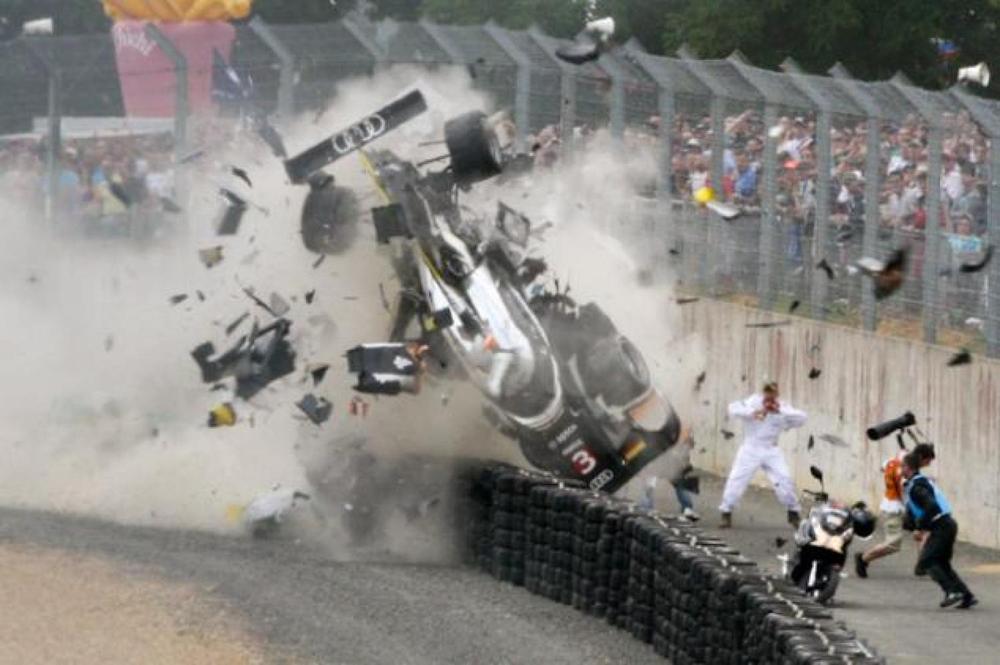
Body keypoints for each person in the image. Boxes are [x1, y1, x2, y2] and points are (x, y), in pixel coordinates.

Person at [719, 381, 807, 528]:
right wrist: (753, 412)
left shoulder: (782, 406)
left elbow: (802, 418)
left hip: (771, 449)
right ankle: (726, 512)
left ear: (777, 393)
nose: (770, 395)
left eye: (773, 393)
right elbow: (732, 408)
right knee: (737, 479)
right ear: (763, 392)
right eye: (767, 392)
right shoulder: (753, 401)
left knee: (784, 479)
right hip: (751, 448)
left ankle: (793, 512)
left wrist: (780, 411)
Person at [901, 452, 977, 609]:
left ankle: (952, 592)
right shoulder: (916, 484)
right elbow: (916, 511)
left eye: (902, 466)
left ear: (908, 468)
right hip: (946, 525)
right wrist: (912, 524)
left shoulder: (917, 486)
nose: (900, 469)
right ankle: (966, 595)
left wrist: (920, 527)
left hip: (941, 526)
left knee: (927, 561)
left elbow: (931, 507)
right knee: (942, 563)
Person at [855, 443, 936, 578]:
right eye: (928, 461)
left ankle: (921, 565)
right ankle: (863, 559)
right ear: (921, 458)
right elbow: (906, 488)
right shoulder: (905, 472)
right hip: (894, 509)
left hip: (898, 506)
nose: (928, 464)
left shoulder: (899, 460)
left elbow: (884, 466)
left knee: (925, 531)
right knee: (893, 544)